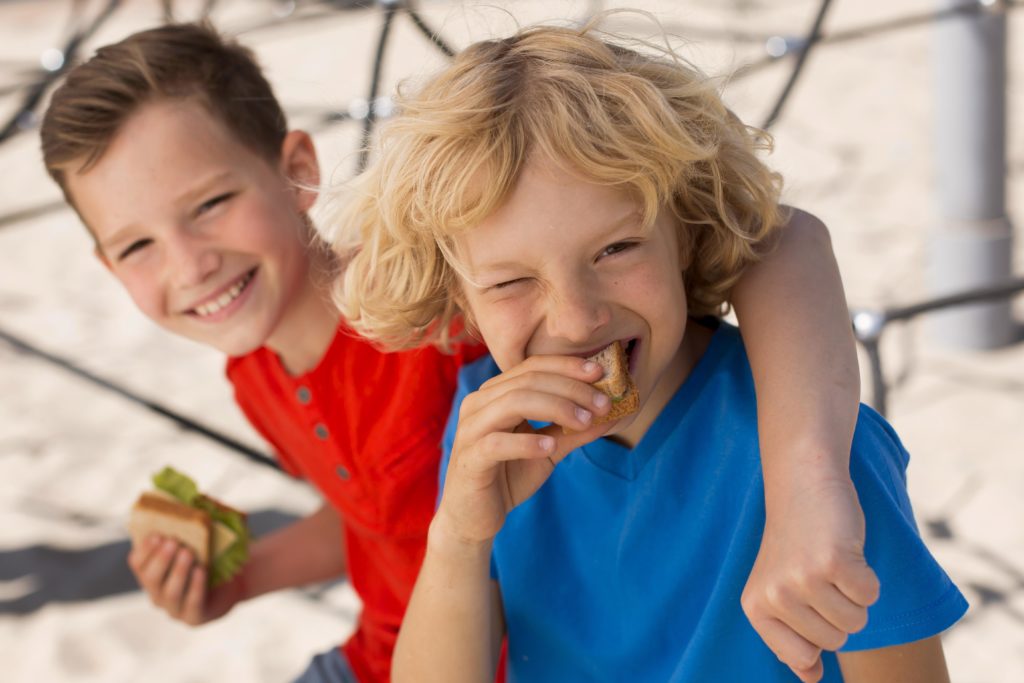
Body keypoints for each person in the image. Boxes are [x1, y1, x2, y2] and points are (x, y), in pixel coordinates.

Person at [333, 22, 968, 682]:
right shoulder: (485, 431)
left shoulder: (822, 447)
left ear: (686, 234)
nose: (577, 318)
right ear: (461, 298)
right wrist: (460, 537)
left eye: (616, 249)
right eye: (512, 282)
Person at [39, 23, 486, 683]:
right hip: (376, 656)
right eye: (138, 246)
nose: (190, 265)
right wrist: (240, 580)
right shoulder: (254, 377)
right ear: (109, 267)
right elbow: (370, 519)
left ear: (298, 172)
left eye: (211, 203)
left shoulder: (430, 314)